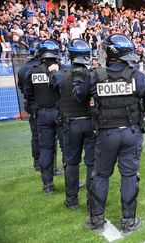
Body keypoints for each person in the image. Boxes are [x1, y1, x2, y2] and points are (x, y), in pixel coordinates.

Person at [74, 34, 145, 233]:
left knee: (101, 176)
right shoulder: (137, 76)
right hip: (131, 133)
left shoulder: (95, 75)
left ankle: (97, 219)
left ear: (110, 53)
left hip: (106, 135)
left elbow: (79, 98)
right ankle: (128, 221)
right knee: (129, 176)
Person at [49, 38, 95, 210]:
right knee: (91, 164)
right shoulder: (94, 74)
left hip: (70, 126)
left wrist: (53, 72)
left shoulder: (60, 75)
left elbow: (53, 87)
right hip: (90, 125)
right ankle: (92, 200)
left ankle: (72, 200)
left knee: (72, 163)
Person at [24, 39, 64, 194]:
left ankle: (47, 185)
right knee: (66, 148)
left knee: (46, 148)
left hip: (42, 114)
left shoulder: (32, 71)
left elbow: (28, 94)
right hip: (60, 113)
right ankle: (71, 185)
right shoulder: (63, 70)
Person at [17, 52, 41, 171]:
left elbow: (22, 88)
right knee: (49, 136)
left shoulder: (22, 69)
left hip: (32, 105)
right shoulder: (42, 68)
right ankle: (49, 166)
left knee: (36, 135)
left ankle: (37, 162)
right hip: (45, 104)